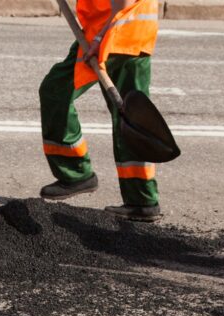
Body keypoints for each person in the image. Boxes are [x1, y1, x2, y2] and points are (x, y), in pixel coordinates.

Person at [38, 0, 162, 222]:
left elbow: (123, 2)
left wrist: (98, 38)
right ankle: (142, 200)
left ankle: (76, 173)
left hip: (115, 35)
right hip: (129, 32)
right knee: (128, 114)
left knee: (56, 91)